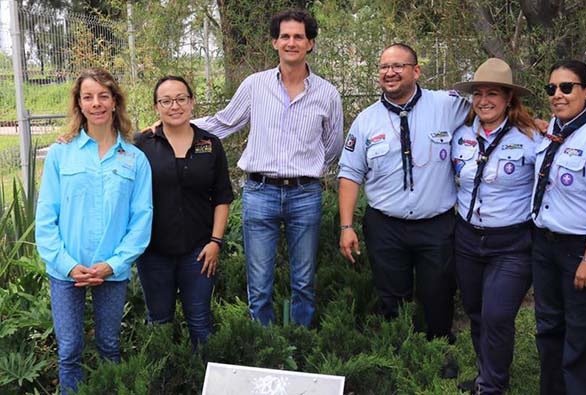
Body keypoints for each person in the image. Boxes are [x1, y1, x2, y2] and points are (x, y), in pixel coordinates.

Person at [190, 9, 343, 327]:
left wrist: (309, 171)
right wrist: (175, 126)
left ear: (310, 43)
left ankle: (300, 346)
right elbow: (224, 122)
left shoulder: (327, 94)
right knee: (258, 284)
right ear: (274, 42)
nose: (291, 42)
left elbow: (333, 146)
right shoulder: (255, 86)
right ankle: (265, 347)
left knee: (304, 282)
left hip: (305, 194)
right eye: (285, 36)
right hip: (260, 193)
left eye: (298, 36)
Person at [338, 43, 469, 342]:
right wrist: (346, 226)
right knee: (390, 299)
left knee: (439, 294)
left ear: (416, 70)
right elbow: (349, 174)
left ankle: (439, 352)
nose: (390, 72)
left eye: (398, 66)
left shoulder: (447, 105)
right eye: (384, 67)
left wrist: (531, 125)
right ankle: (397, 354)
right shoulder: (366, 120)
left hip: (436, 225)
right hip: (385, 226)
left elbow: (492, 108)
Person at [35, 68, 152, 394]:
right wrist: (66, 264)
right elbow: (46, 217)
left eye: (103, 96)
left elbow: (141, 221)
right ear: (79, 103)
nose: (96, 103)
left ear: (115, 101)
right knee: (69, 350)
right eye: (88, 97)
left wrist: (113, 264)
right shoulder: (61, 154)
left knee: (109, 347)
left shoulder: (135, 159)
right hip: (65, 270)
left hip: (111, 271)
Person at [531, 60, 586, 395]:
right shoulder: (551, 130)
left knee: (584, 337)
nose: (557, 94)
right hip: (545, 246)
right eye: (551, 88)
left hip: (581, 249)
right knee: (549, 331)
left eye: (566, 87)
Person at [450, 58, 539, 395]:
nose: (484, 100)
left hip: (512, 244)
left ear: (509, 100)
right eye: (479, 94)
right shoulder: (460, 136)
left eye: (493, 94)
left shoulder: (531, 138)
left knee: (498, 315)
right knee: (476, 312)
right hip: (468, 239)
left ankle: (492, 387)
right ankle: (486, 375)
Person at [134, 76, 233, 347]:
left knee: (200, 320)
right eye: (165, 101)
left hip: (199, 252)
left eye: (180, 99)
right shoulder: (142, 145)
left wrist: (215, 242)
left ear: (192, 102)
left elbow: (222, 196)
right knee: (159, 322)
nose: (174, 106)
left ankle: (201, 381)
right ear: (156, 107)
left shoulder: (210, 144)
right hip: (153, 252)